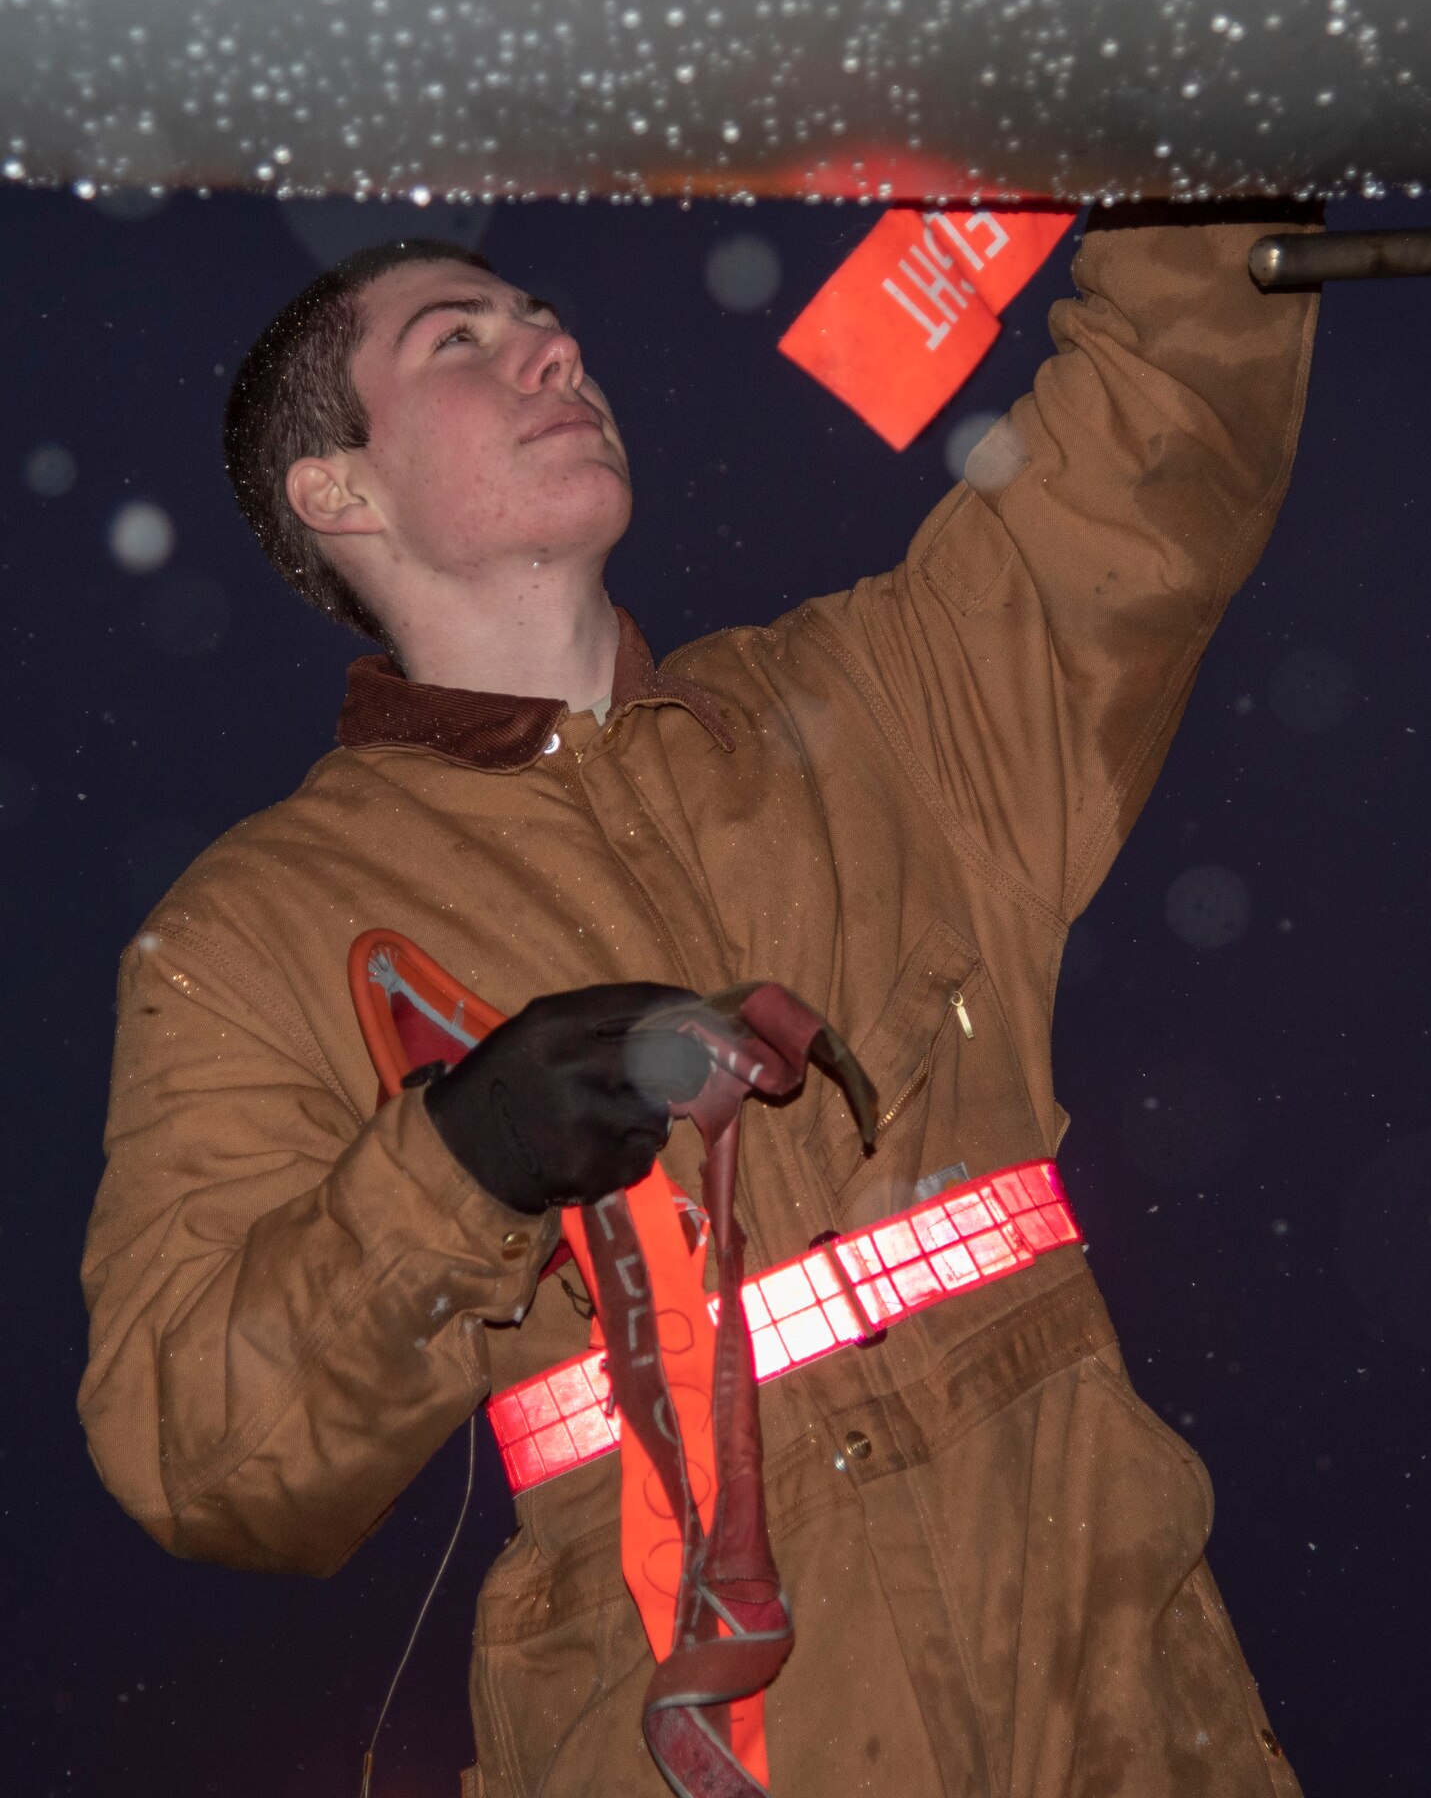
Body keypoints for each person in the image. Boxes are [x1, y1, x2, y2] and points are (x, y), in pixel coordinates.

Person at [79, 201, 1320, 1797]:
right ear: (341, 491)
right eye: (457, 339)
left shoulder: (880, 707)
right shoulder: (254, 934)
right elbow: (198, 1455)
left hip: (1117, 1692)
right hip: (697, 1728)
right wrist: (463, 1164)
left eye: (540, 316)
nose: (554, 344)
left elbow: (1162, 450)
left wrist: (1206, 174)